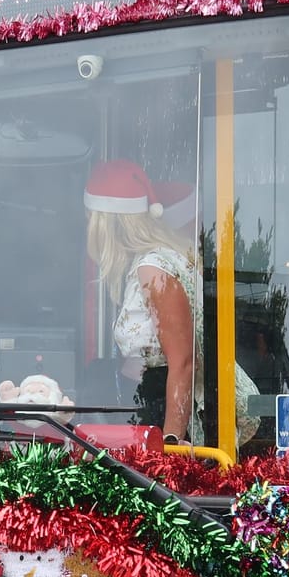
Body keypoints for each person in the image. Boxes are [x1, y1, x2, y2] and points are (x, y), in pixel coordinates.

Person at [85, 160, 200, 442]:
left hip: (157, 406)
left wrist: (171, 445)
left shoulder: (152, 268)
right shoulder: (158, 260)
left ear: (106, 222)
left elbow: (183, 362)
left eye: (91, 217)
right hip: (148, 397)